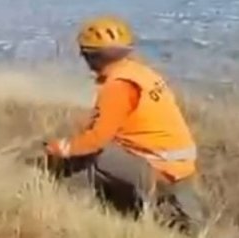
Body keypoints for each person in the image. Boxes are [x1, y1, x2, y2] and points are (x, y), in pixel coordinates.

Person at [43, 15, 206, 234]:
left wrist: (60, 148)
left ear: (90, 57)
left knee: (87, 158)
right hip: (181, 164)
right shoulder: (141, 73)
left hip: (158, 167)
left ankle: (77, 214)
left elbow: (95, 140)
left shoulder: (119, 86)